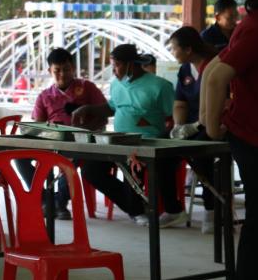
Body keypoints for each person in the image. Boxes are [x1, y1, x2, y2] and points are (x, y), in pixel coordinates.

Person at [202, 0, 258, 280]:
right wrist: (211, 127)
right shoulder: (257, 27)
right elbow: (217, 77)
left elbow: (213, 67)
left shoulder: (250, 24)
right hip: (254, 137)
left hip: (249, 133)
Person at [73, 44, 186, 227]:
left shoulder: (160, 86)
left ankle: (139, 209)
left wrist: (162, 138)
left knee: (133, 167)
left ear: (131, 65)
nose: (114, 70)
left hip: (146, 142)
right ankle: (135, 207)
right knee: (90, 171)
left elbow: (173, 118)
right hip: (118, 141)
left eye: (117, 65)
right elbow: (111, 108)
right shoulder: (116, 84)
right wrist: (88, 109)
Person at [28, 48, 107, 220]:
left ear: (73, 69)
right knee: (19, 157)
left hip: (83, 141)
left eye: (66, 69)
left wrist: (85, 127)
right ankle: (46, 201)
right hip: (54, 142)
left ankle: (58, 203)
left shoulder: (87, 87)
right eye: (57, 70)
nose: (62, 74)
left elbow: (105, 114)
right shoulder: (44, 96)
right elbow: (38, 126)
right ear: (50, 71)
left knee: (73, 157)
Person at [167, 26, 218, 233]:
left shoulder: (214, 66)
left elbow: (220, 104)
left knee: (200, 153)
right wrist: (179, 127)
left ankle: (212, 210)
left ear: (188, 49)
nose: (172, 52)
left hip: (214, 123)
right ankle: (173, 209)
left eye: (174, 48)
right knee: (164, 152)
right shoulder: (185, 70)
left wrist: (196, 126)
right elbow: (180, 104)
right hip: (190, 125)